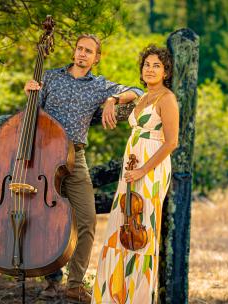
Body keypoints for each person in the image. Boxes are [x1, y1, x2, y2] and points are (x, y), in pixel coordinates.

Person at [24, 34, 144, 303]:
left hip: (75, 158)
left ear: (96, 58)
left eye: (88, 51)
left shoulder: (99, 85)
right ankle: (52, 282)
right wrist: (31, 91)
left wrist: (112, 99)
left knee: (87, 220)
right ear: (74, 51)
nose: (82, 54)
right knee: (46, 221)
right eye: (79, 49)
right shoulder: (52, 78)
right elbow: (32, 114)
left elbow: (138, 91)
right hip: (43, 156)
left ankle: (75, 284)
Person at [91, 45, 179, 304]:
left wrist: (143, 169)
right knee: (120, 225)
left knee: (143, 231)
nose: (150, 69)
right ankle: (113, 295)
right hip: (131, 166)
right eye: (147, 65)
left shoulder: (167, 99)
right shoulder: (142, 97)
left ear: (166, 71)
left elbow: (171, 142)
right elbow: (124, 94)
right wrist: (111, 100)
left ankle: (137, 298)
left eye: (157, 66)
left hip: (151, 168)